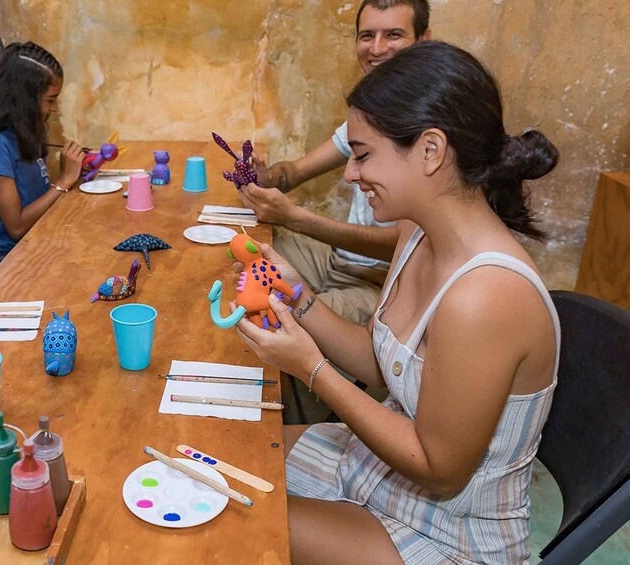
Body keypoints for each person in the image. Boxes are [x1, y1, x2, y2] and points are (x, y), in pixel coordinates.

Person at [234, 41, 560, 564]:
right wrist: (299, 296)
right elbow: (382, 364)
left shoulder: (487, 296)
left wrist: (311, 369)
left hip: (451, 532)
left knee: (231, 519)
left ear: (431, 150)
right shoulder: (416, 232)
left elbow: (439, 467)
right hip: (381, 472)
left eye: (363, 155)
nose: (349, 173)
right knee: (229, 451)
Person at [240, 0, 431, 326]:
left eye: (394, 35)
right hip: (335, 261)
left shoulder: (429, 127)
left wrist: (294, 217)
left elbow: (402, 244)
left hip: (381, 283)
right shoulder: (371, 112)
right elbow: (296, 172)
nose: (377, 48)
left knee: (280, 317)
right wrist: (267, 177)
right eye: (367, 35)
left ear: (424, 41)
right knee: (246, 251)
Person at [0, 41, 86, 277]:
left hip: (35, 243)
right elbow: (17, 227)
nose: (55, 108)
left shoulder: (21, 134)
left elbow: (37, 198)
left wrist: (73, 173)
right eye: (50, 100)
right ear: (25, 98)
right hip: (5, 260)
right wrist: (65, 180)